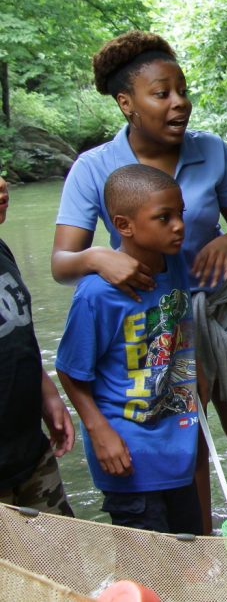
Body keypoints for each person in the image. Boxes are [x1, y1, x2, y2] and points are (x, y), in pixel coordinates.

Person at [50, 31, 227, 532]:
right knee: (188, 437)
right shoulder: (94, 168)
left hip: (222, 309)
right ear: (127, 104)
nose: (179, 102)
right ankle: (200, 552)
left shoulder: (213, 150)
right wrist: (99, 258)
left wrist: (225, 243)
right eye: (162, 93)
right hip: (153, 324)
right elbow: (61, 262)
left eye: (182, 90)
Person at [55, 165, 201, 534]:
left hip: (179, 448)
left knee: (191, 562)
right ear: (124, 225)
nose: (179, 225)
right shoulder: (96, 294)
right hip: (128, 455)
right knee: (149, 571)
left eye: (180, 214)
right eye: (163, 218)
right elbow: (71, 370)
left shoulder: (180, 266)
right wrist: (98, 430)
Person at [0, 174, 75, 516]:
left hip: (29, 452)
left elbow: (16, 331)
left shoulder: (1, 250)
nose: (2, 184)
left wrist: (46, 391)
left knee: (59, 562)